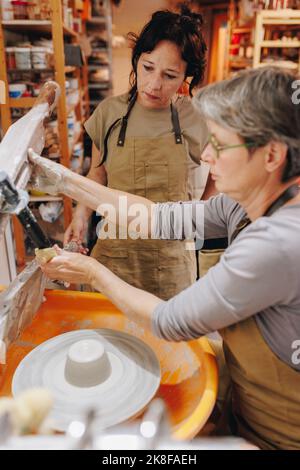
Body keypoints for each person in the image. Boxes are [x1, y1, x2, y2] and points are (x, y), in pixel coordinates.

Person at [29, 66, 300, 450]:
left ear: (272, 154)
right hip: (246, 405)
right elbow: (158, 218)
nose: (206, 155)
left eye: (219, 146)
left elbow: (170, 321)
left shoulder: (280, 242)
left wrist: (92, 271)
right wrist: (62, 179)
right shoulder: (247, 204)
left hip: (280, 435)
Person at [64, 5, 209, 300]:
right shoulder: (108, 113)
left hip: (170, 261)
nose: (154, 85)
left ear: (187, 76)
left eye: (170, 75)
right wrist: (80, 216)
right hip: (115, 255)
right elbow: (97, 173)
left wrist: (203, 212)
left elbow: (222, 170)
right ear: (136, 58)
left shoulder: (195, 117)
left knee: (168, 340)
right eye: (147, 67)